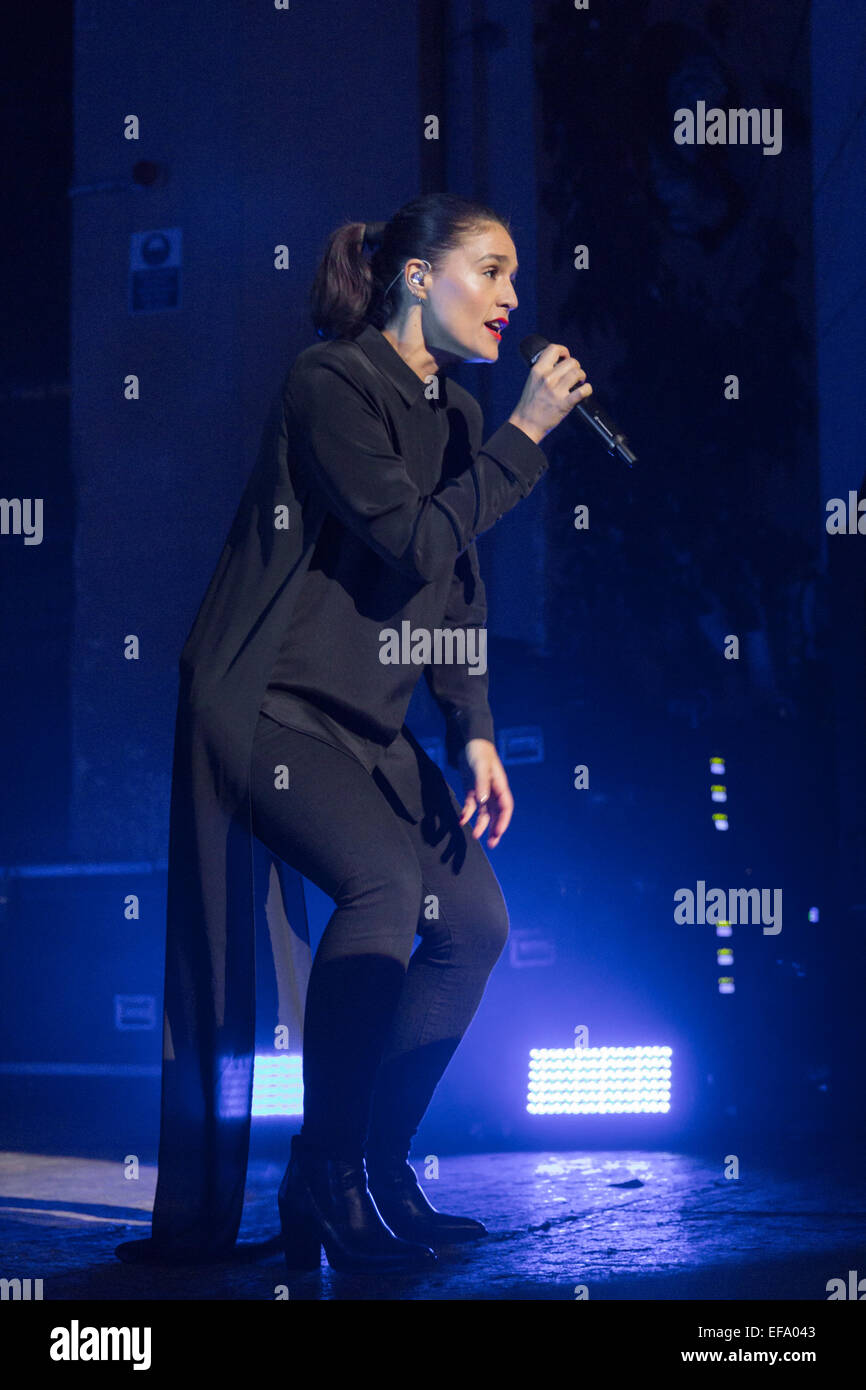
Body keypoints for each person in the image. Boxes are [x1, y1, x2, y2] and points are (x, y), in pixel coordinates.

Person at [115, 191, 591, 1276]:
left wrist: (470, 729)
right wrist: (523, 439)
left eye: (516, 274)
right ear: (416, 277)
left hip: (367, 724)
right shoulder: (329, 382)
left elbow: (454, 592)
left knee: (470, 918)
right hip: (263, 702)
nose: (512, 295)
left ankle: (372, 1164)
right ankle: (322, 1176)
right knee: (382, 883)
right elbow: (408, 537)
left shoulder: (460, 419)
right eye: (490, 269)